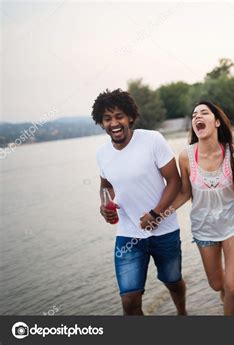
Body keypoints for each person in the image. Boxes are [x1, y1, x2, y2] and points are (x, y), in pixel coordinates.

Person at [92, 89, 187, 315]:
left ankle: (182, 312)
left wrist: (156, 214)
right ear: (101, 123)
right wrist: (105, 206)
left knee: (172, 281)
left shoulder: (152, 139)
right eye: (107, 118)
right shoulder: (102, 154)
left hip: (165, 230)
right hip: (127, 235)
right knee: (130, 302)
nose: (114, 123)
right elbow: (106, 186)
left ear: (130, 117)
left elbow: (174, 181)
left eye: (118, 116)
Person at [171, 101, 234, 315]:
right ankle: (227, 299)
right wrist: (158, 214)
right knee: (217, 285)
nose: (197, 117)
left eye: (204, 113)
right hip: (204, 228)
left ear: (217, 122)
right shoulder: (186, 156)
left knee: (233, 286)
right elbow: (184, 193)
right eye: (194, 115)